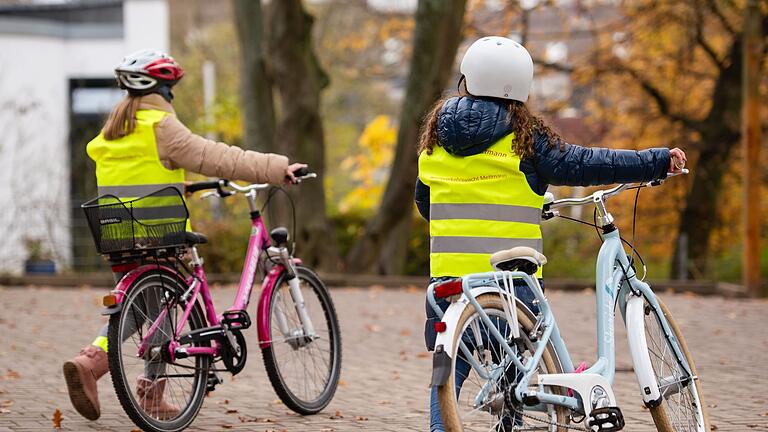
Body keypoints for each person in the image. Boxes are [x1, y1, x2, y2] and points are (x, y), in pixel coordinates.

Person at [415, 36, 686, 432]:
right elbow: (587, 163)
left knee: (451, 367)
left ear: (467, 79)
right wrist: (654, 161)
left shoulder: (434, 144)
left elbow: (428, 205)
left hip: (451, 283)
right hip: (513, 283)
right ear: (521, 86)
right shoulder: (526, 140)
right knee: (522, 362)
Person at [62, 49, 305, 421]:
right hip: (160, 234)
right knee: (159, 312)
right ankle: (97, 363)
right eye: (171, 89)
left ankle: (131, 382)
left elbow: (139, 176)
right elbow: (220, 157)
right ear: (162, 89)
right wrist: (278, 167)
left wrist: (183, 186)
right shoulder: (162, 126)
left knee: (149, 310)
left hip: (118, 235)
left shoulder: (113, 132)